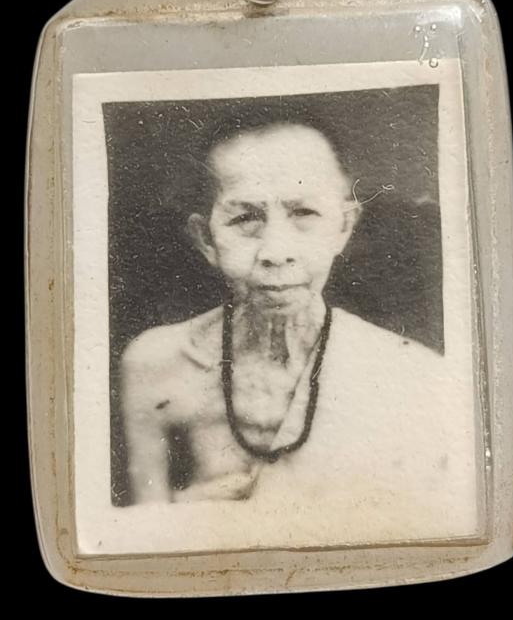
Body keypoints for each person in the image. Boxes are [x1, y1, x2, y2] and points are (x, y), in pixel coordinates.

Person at [120, 114, 470, 536]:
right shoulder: (156, 363)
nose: (275, 251)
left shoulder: (413, 375)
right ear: (206, 239)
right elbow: (142, 536)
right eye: (245, 218)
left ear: (343, 227)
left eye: (304, 212)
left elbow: (428, 531)